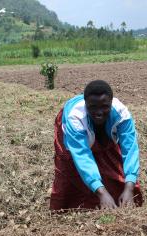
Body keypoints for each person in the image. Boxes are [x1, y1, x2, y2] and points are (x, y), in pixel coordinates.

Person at [50, 80, 142, 211]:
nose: (99, 112)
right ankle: (71, 208)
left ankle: (119, 198)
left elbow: (130, 149)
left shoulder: (122, 115)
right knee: (70, 166)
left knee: (112, 161)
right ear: (85, 104)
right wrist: (102, 192)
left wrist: (129, 187)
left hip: (103, 129)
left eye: (104, 107)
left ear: (111, 103)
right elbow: (82, 156)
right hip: (74, 135)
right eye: (93, 107)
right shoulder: (75, 118)